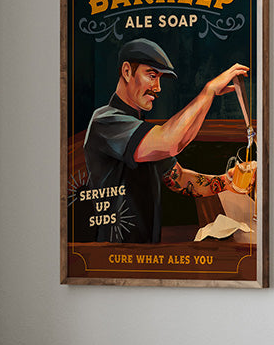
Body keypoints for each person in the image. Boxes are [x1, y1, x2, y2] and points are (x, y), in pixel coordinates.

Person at [82, 38, 250, 243]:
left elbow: (178, 178)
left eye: (160, 79)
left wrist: (227, 182)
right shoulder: (106, 121)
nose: (158, 87)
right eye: (152, 76)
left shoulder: (137, 126)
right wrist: (209, 91)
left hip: (144, 251)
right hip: (113, 256)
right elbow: (171, 143)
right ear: (127, 71)